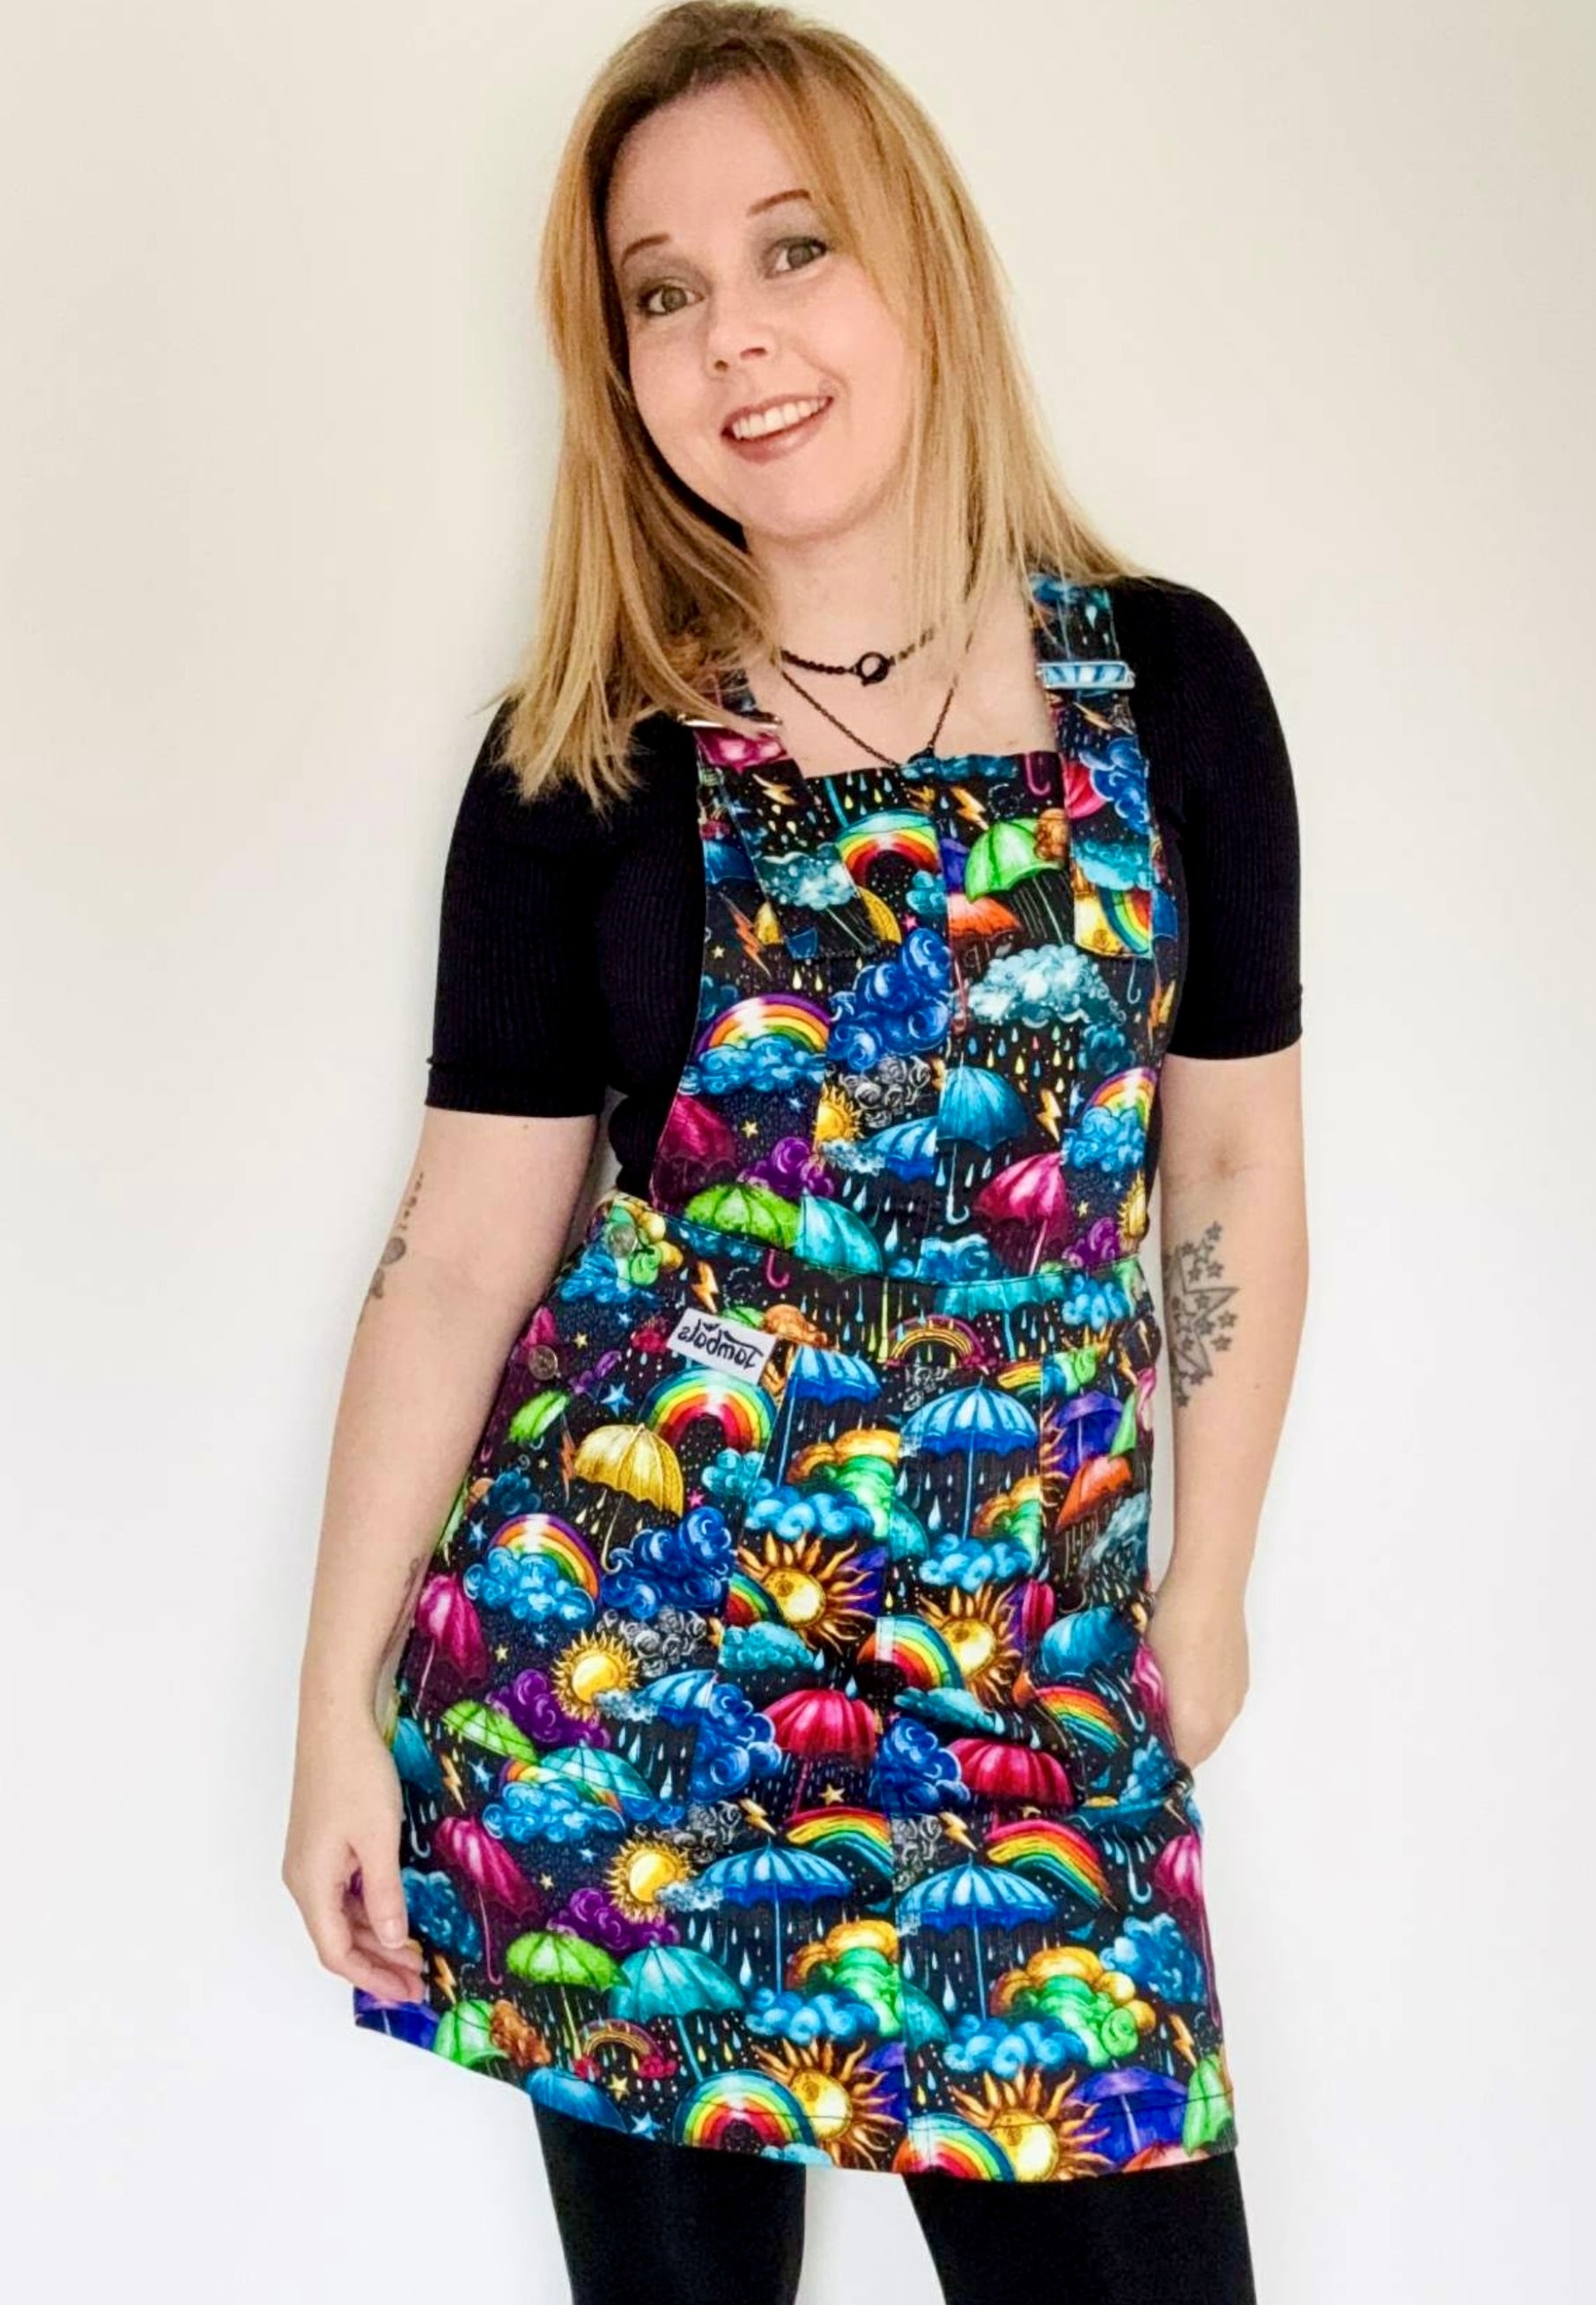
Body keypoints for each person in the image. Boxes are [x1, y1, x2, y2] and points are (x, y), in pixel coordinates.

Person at [283, 5, 1307, 2300]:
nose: (729, 332)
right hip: (628, 1697)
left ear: (918, 267)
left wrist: (1201, 1587)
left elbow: (1230, 1161)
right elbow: (461, 1253)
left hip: (1034, 1695)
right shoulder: (580, 763)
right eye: (659, 291)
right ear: (617, 362)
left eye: (787, 247)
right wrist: (335, 1708)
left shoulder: (1166, 688)